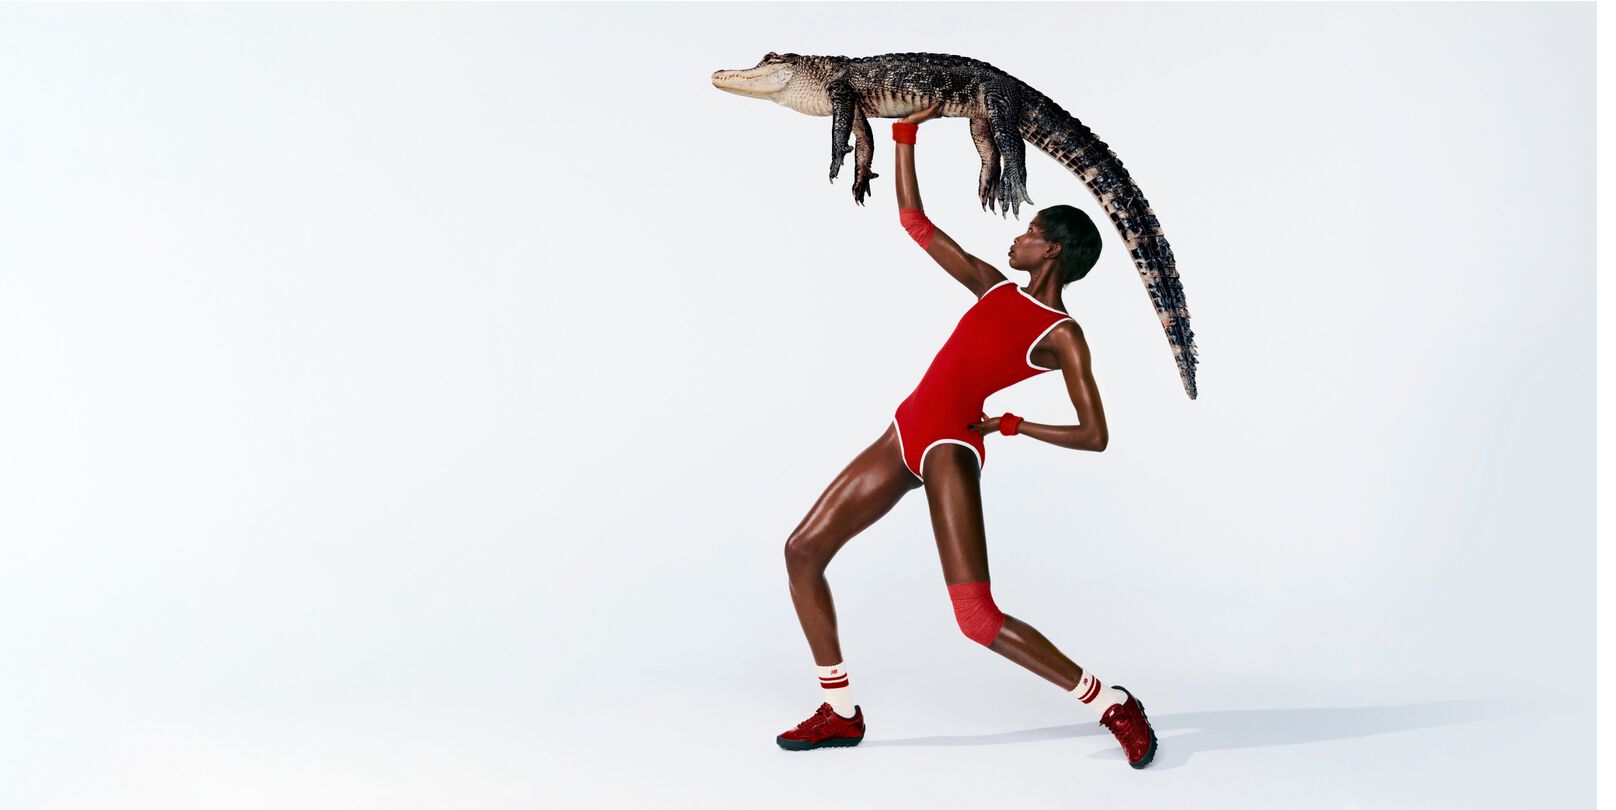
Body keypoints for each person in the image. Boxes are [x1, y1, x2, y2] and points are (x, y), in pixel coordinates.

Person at [774, 102, 1158, 768]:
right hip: (905, 430)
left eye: (1030, 231)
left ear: (1053, 250)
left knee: (977, 619)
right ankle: (840, 711)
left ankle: (1111, 703)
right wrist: (905, 133)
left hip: (950, 448)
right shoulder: (992, 288)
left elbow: (1095, 434)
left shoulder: (1062, 335)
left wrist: (1012, 424)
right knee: (802, 551)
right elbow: (914, 221)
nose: (1017, 237)